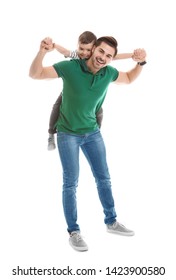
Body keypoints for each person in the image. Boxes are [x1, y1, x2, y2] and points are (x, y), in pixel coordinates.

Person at [29, 36, 147, 252]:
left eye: (108, 55)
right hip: (68, 135)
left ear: (112, 59)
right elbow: (35, 74)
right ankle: (74, 232)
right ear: (93, 50)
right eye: (100, 52)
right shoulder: (70, 67)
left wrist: (140, 62)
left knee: (104, 178)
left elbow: (129, 78)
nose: (103, 57)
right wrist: (42, 52)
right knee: (70, 184)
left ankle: (111, 222)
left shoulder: (108, 73)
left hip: (93, 133)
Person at [48, 31, 134, 150]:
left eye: (88, 50)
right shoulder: (76, 56)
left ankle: (93, 132)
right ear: (78, 46)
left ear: (93, 48)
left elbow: (115, 56)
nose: (85, 53)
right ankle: (51, 133)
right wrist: (54, 45)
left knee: (98, 110)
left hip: (91, 95)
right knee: (57, 106)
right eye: (81, 49)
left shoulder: (98, 56)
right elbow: (65, 52)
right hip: (72, 92)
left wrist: (132, 55)